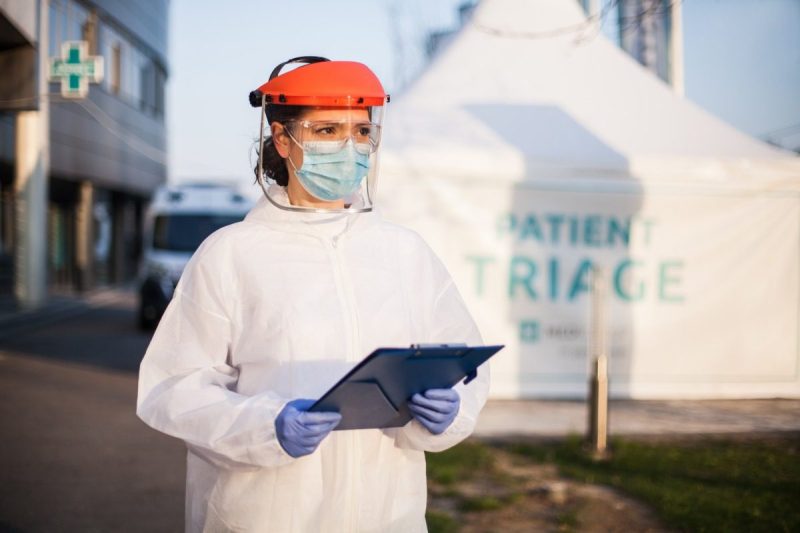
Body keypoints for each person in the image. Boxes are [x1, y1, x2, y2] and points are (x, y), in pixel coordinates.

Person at [136, 56, 490, 533]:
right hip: (264, 515)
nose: (349, 147)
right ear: (283, 139)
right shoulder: (232, 254)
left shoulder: (405, 253)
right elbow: (172, 388)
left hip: (387, 515)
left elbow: (462, 362)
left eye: (362, 132)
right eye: (327, 131)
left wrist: (449, 407)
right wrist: (267, 425)